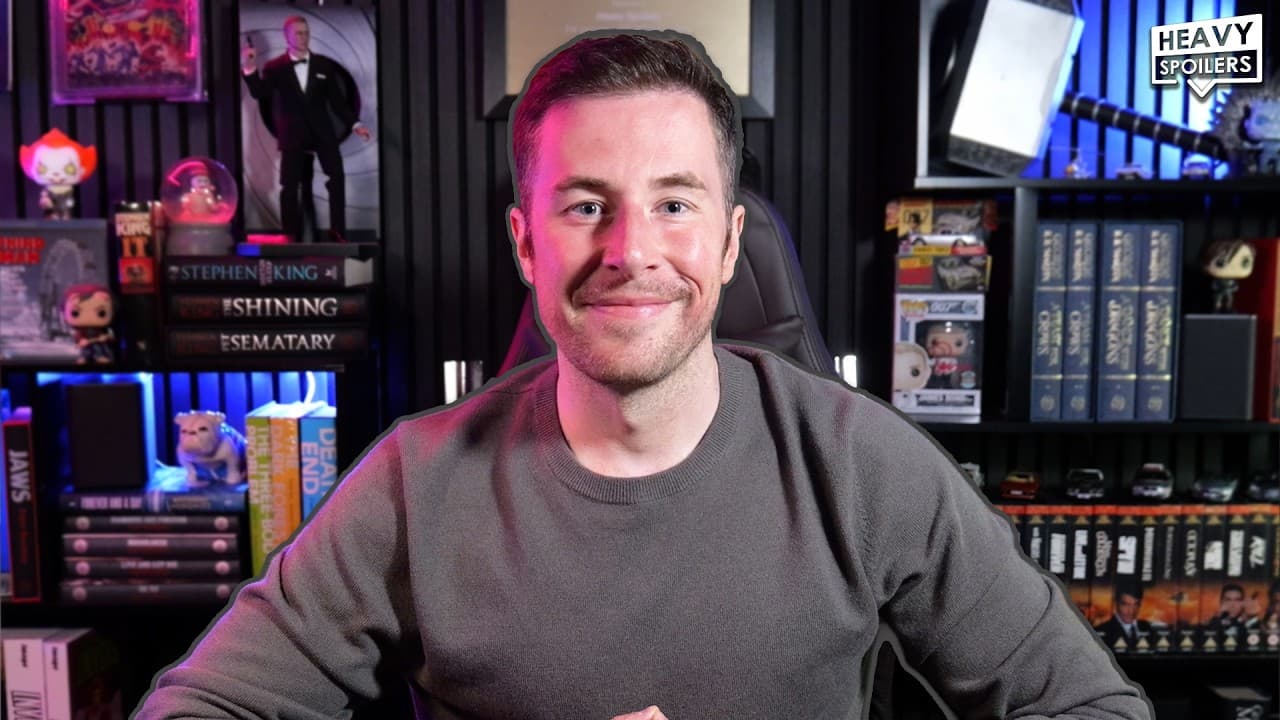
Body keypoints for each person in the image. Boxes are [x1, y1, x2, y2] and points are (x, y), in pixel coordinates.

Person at [135, 31, 1152, 719]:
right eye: (584, 205)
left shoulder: (864, 465)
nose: (631, 249)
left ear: (727, 243)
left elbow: (1085, 707)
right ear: (526, 246)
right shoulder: (417, 481)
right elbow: (203, 705)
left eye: (674, 203)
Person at [241, 15, 371, 243]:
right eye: (298, 33)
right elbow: (259, 92)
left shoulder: (324, 65)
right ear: (287, 36)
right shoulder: (275, 67)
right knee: (289, 185)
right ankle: (289, 234)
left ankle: (337, 231)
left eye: (306, 32)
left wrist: (355, 124)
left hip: (323, 131)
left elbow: (337, 102)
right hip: (293, 133)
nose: (303, 37)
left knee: (336, 177)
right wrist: (250, 68)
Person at [1094, 583, 1153, 652]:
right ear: (1115, 603)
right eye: (1125, 604)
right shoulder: (1100, 631)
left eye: (1136, 604)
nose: (1131, 611)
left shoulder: (1148, 627)